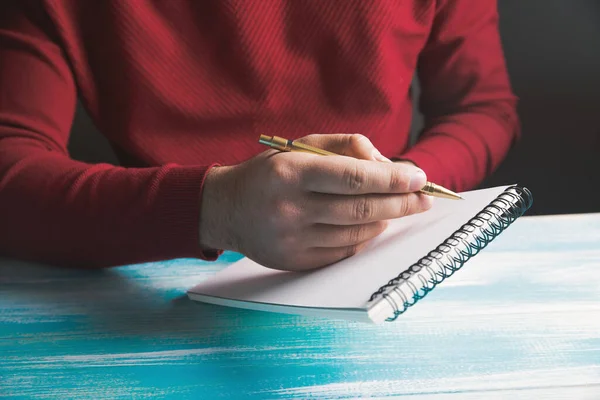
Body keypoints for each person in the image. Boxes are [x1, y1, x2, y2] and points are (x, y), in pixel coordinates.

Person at [0, 1, 519, 270]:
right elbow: (10, 165)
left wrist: (393, 189)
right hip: (157, 258)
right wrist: (212, 209)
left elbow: (482, 109)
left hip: (376, 252)